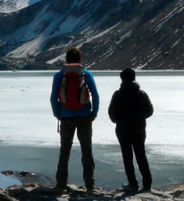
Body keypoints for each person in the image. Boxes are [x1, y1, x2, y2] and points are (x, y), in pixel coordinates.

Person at [50, 47, 99, 192]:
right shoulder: (86, 74)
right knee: (86, 151)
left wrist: (57, 113)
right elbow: (95, 95)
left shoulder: (59, 75)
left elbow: (53, 97)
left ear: (66, 59)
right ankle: (90, 185)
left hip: (65, 118)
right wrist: (93, 113)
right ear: (79, 59)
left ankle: (60, 184)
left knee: (64, 151)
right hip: (84, 117)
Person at [108, 67, 154, 192]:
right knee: (141, 155)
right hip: (139, 128)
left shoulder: (118, 94)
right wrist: (139, 119)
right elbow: (150, 111)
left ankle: (133, 184)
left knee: (127, 156)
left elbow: (112, 113)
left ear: (122, 79)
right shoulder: (141, 94)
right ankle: (147, 184)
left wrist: (119, 121)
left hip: (123, 129)